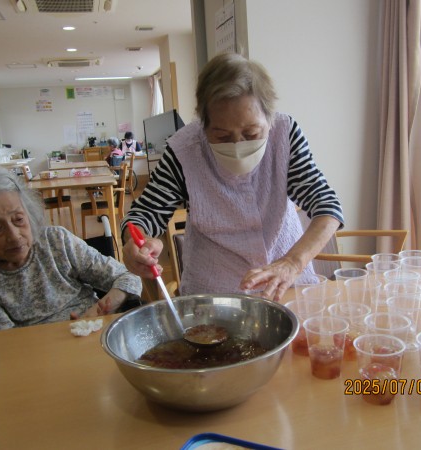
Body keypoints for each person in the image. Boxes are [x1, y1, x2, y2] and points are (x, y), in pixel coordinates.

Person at [121, 53, 344, 302]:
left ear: (269, 118)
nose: (238, 145)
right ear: (203, 126)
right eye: (222, 136)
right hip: (214, 295)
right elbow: (144, 214)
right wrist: (135, 242)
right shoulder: (184, 150)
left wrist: (292, 263)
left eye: (252, 133)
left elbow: (328, 207)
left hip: (285, 284)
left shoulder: (285, 134)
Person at [0, 167, 143, 331]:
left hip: (94, 333)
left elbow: (129, 277)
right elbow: (4, 342)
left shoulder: (56, 241)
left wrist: (103, 307)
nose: (14, 235)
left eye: (18, 219)